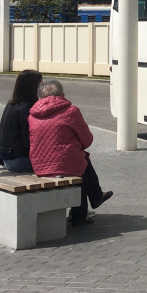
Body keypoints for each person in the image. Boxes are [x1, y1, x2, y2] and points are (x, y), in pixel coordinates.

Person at [29, 80, 113, 227]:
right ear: (63, 95)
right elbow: (87, 140)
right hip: (67, 164)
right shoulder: (71, 111)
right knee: (80, 165)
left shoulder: (32, 115)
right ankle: (83, 212)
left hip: (39, 165)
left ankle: (94, 199)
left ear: (39, 97)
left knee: (80, 162)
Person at [0, 70, 43, 172]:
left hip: (8, 157)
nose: (42, 87)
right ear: (32, 86)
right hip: (18, 160)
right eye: (40, 84)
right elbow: (29, 140)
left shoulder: (12, 104)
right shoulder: (26, 108)